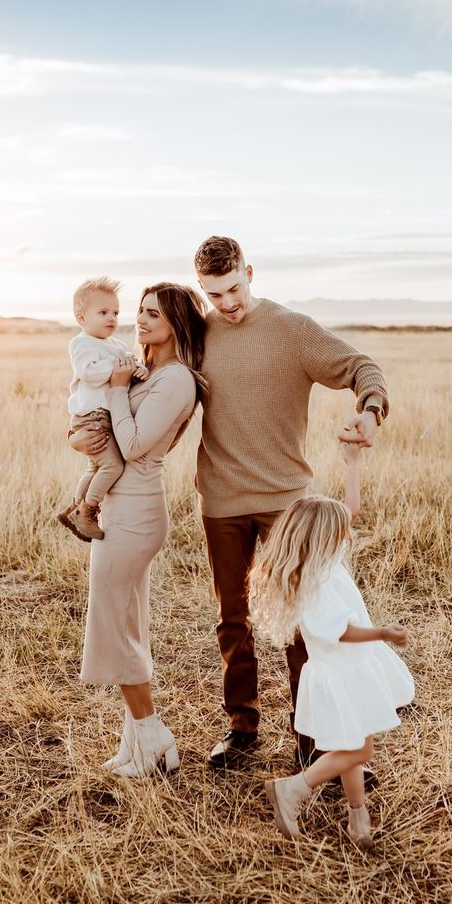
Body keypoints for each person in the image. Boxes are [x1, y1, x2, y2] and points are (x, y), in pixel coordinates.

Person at [193, 236, 389, 776]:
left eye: (234, 288)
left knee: (304, 627)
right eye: (214, 294)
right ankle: (242, 730)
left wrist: (370, 411)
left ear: (250, 273)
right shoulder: (199, 333)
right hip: (222, 501)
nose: (227, 302)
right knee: (233, 620)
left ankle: (316, 741)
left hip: (287, 505)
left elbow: (361, 367)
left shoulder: (291, 330)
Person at [248, 439, 414, 849]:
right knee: (359, 750)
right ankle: (294, 788)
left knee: (350, 745)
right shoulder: (315, 586)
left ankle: (359, 820)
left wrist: (351, 463)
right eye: (337, 533)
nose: (346, 535)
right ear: (322, 540)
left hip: (345, 671)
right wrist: (383, 633)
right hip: (339, 675)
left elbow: (349, 512)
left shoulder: (324, 561)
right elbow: (341, 631)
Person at [71, 282, 207, 778]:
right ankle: (135, 743)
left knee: (113, 623)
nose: (141, 320)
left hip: (137, 514)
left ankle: (153, 736)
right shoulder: (141, 369)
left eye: (154, 314)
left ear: (176, 324)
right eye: (141, 312)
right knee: (127, 624)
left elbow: (128, 445)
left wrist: (112, 391)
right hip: (118, 508)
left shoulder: (176, 381)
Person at [57, 275, 147, 542]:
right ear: (81, 318)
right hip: (91, 417)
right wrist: (121, 369)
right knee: (112, 466)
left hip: (105, 415)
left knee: (96, 467)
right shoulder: (81, 343)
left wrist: (137, 369)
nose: (112, 318)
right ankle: (87, 510)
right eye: (103, 312)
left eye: (116, 312)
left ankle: (73, 507)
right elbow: (90, 373)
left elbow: (131, 363)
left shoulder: (116, 345)